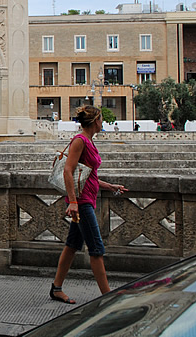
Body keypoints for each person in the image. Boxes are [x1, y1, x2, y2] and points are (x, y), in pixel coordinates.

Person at [50, 105, 128, 304]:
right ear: (95, 121)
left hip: (86, 200)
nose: (103, 123)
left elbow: (87, 176)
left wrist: (109, 186)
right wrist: (73, 201)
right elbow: (69, 171)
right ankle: (108, 297)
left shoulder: (89, 142)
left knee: (72, 245)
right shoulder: (80, 141)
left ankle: (56, 288)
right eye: (101, 120)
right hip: (82, 203)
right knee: (96, 249)